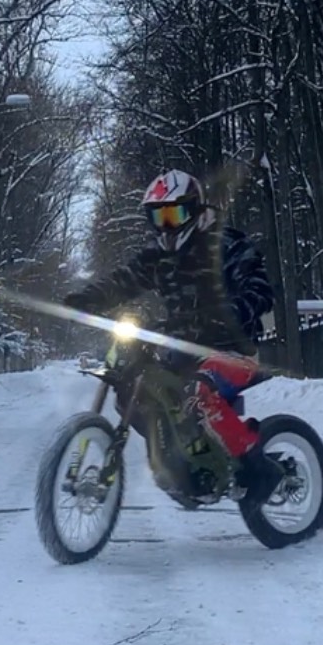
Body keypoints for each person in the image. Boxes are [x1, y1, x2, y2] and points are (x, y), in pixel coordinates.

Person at [62, 170, 284, 501]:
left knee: (200, 392)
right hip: (182, 351)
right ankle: (183, 463)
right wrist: (87, 299)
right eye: (158, 217)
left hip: (232, 350)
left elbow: (260, 288)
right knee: (134, 388)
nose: (167, 226)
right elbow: (125, 279)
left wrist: (231, 313)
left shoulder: (227, 244)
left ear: (194, 209)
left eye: (174, 215)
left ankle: (258, 470)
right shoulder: (158, 256)